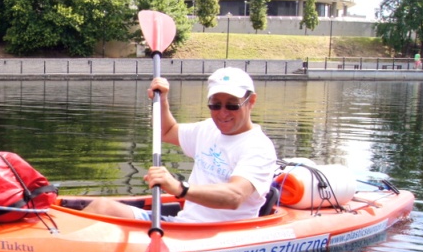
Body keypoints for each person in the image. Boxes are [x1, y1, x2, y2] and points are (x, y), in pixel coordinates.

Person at [82, 67, 277, 222]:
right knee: (102, 207)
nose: (222, 113)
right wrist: (163, 100)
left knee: (103, 209)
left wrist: (178, 188)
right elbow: (166, 132)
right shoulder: (207, 129)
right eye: (215, 105)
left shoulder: (258, 147)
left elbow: (235, 196)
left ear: (251, 101)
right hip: (184, 224)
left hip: (220, 235)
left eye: (232, 105)